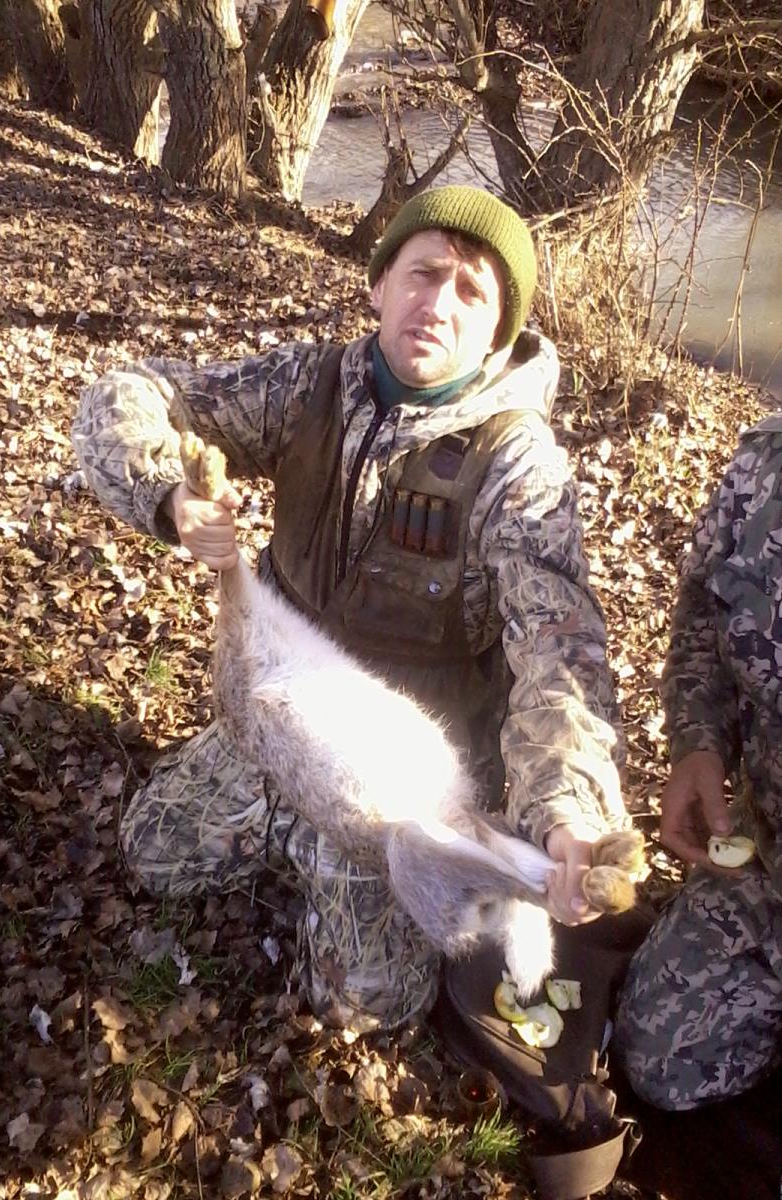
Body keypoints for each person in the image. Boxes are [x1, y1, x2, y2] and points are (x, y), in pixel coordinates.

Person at [72, 185, 628, 1033]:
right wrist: (169, 497)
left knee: (364, 1002)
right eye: (424, 273)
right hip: (277, 724)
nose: (439, 303)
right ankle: (300, 839)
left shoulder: (519, 469)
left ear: (498, 331)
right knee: (150, 852)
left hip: (404, 785)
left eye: (472, 290)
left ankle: (351, 859)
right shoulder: (310, 385)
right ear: (379, 286)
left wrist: (567, 809)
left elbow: (562, 658)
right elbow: (130, 392)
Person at [615, 416, 782, 1111]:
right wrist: (699, 741)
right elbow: (701, 622)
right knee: (663, 1056)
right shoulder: (763, 467)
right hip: (767, 859)